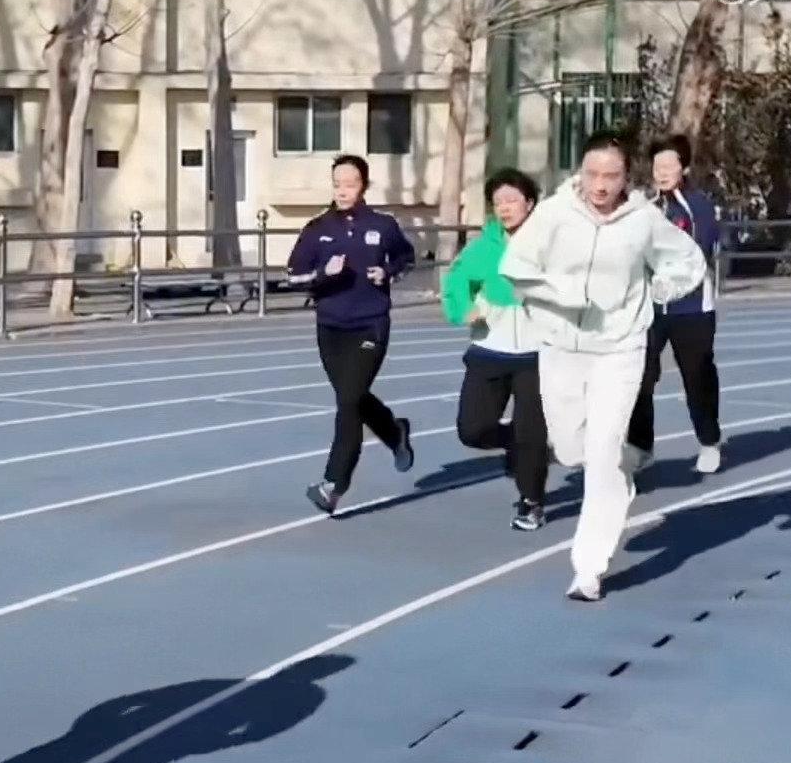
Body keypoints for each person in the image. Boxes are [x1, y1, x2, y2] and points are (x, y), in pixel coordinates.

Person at [498, 131, 707, 602]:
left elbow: (688, 260)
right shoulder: (554, 214)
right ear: (580, 172)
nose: (600, 185)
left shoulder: (643, 220)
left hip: (620, 347)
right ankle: (617, 471)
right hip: (562, 346)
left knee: (604, 452)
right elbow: (517, 267)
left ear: (626, 177)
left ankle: (588, 569)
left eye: (611, 176)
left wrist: (662, 290)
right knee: (571, 448)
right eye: (593, 174)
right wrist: (562, 296)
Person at [287, 154, 418, 514]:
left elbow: (407, 259)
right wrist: (323, 274)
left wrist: (387, 272)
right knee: (353, 398)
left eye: (350, 184)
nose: (343, 191)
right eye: (337, 184)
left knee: (347, 402)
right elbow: (293, 276)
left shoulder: (382, 225)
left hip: (370, 323)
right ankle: (394, 431)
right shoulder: (317, 228)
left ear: (364, 186)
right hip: (331, 328)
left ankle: (333, 484)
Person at [442, 168, 549, 531]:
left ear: (529, 203)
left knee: (532, 432)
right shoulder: (482, 248)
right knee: (472, 430)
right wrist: (464, 308)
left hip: (538, 354)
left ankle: (531, 501)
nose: (504, 208)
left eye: (512, 200)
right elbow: (457, 282)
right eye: (498, 202)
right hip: (490, 349)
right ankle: (515, 444)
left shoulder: (548, 244)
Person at [625, 133, 724, 474]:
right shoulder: (645, 208)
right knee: (639, 376)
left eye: (670, 165)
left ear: (684, 168)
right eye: (657, 166)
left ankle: (709, 441)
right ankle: (641, 446)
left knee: (697, 376)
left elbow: (701, 250)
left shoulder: (698, 207)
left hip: (692, 308)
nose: (662, 172)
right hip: (649, 308)